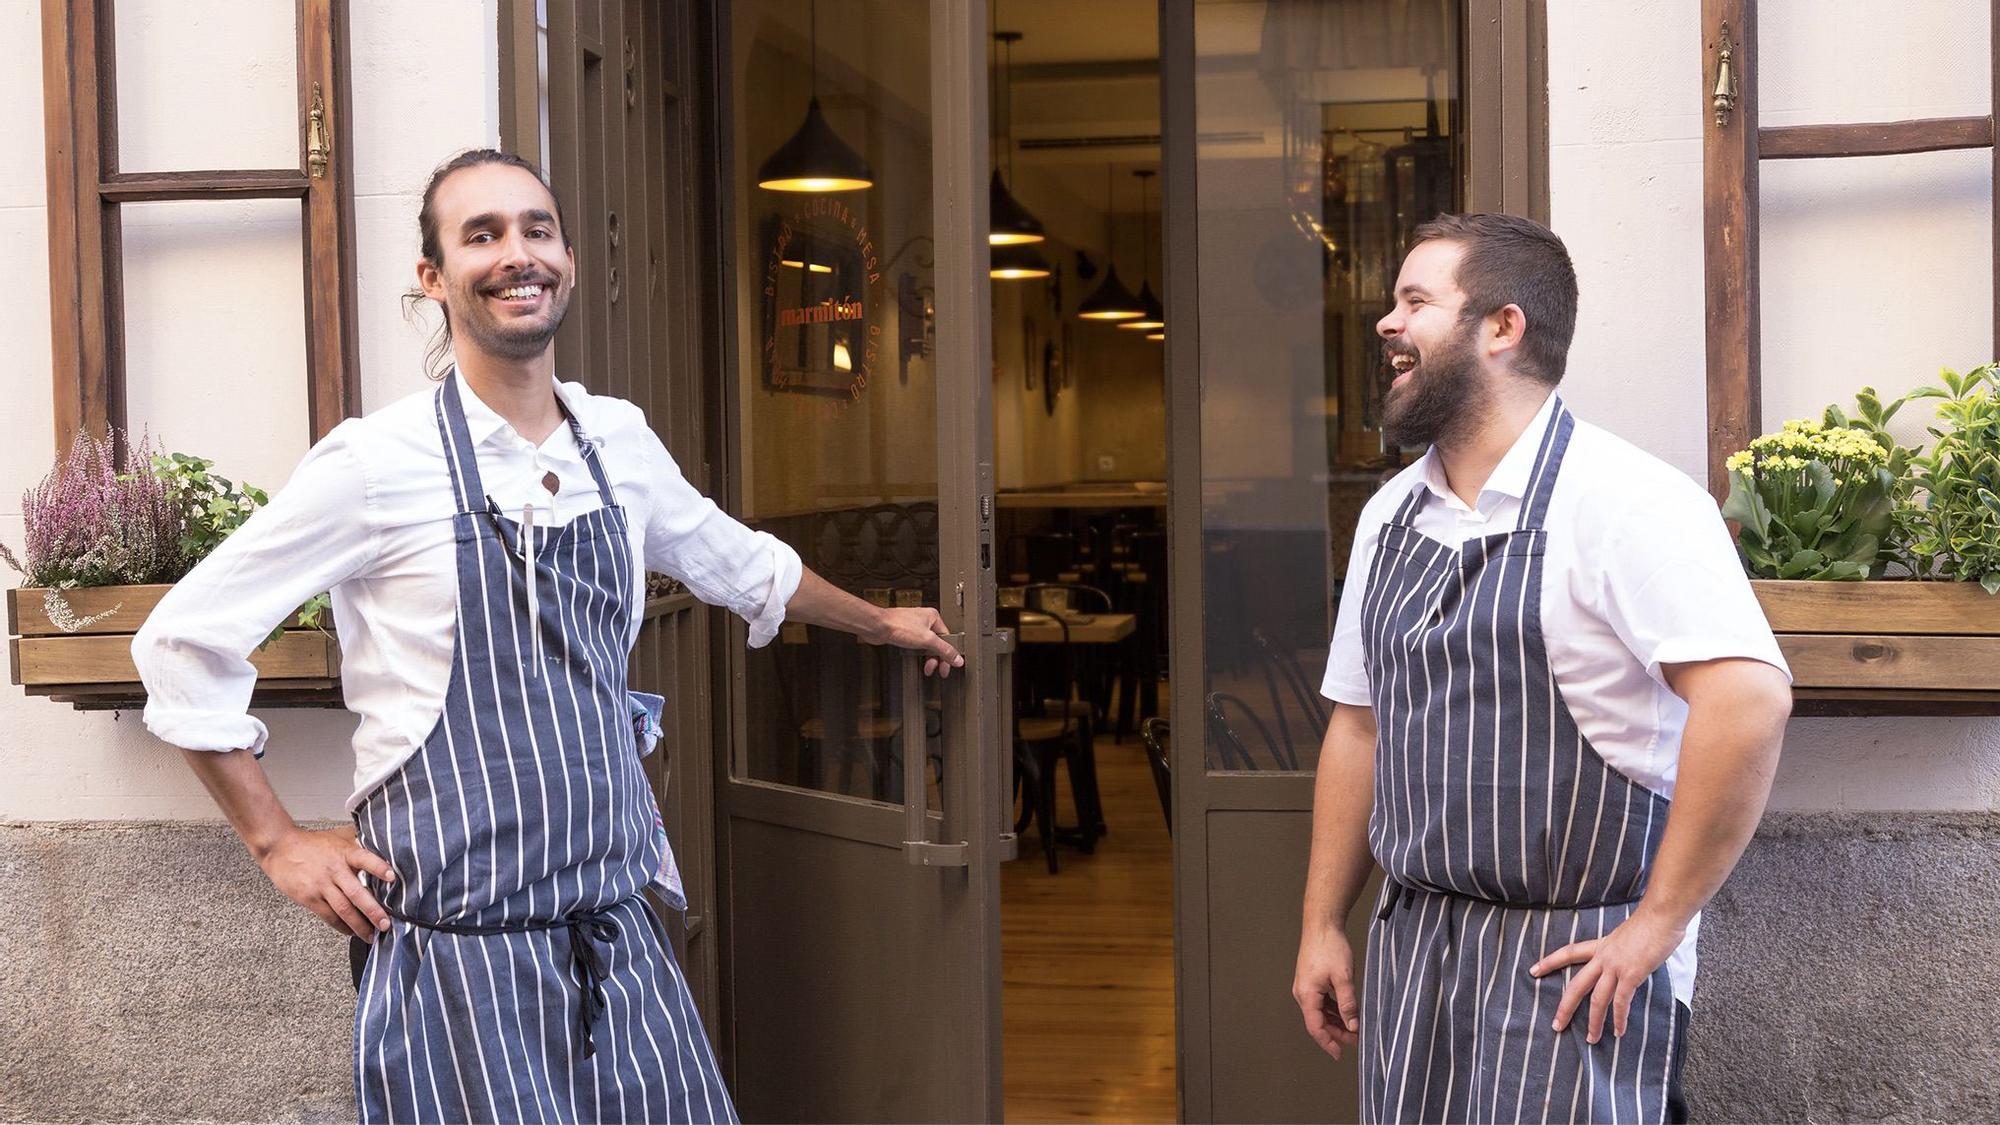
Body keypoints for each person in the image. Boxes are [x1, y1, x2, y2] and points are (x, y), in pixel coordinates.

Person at [133, 148, 962, 1125]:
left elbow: (737, 563)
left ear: (567, 256)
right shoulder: (375, 464)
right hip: (460, 965)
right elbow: (182, 640)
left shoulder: (614, 440)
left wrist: (881, 621)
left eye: (534, 229)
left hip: (615, 939)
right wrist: (275, 842)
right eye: (479, 235)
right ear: (433, 278)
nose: (515, 253)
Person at [1291, 212, 1793, 1124]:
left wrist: (1656, 927)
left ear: (1502, 326)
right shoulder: (1389, 516)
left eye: (1415, 301)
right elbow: (1361, 724)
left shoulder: (1626, 502)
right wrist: (1324, 920)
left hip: (1573, 963)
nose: (1385, 323)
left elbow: (1748, 700)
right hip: (1416, 951)